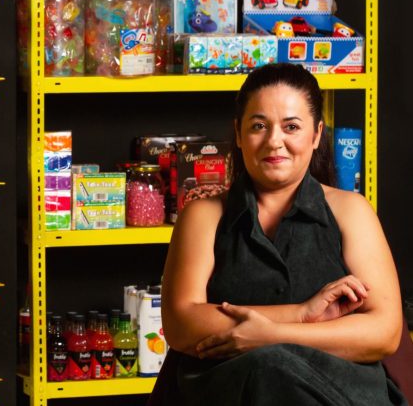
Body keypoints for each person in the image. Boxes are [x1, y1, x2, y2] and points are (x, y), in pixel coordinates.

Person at [162, 63, 406, 405]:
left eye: (291, 126)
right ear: (238, 133)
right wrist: (301, 314)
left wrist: (271, 335)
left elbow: (385, 332)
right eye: (259, 126)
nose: (274, 141)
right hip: (232, 392)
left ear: (316, 135)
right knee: (265, 368)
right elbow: (181, 323)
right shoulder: (203, 215)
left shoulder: (351, 211)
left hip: (338, 392)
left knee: (270, 363)